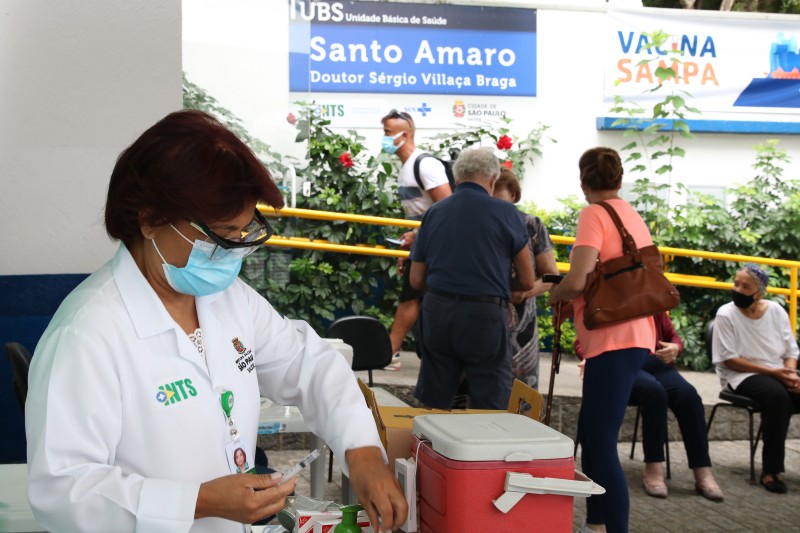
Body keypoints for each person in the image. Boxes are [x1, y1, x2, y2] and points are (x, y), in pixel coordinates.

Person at [25, 110, 407, 533]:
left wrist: (362, 449)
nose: (233, 254)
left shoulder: (226, 300)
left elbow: (308, 364)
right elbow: (64, 490)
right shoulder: (88, 333)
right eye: (221, 235)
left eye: (244, 234)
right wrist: (197, 501)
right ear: (150, 218)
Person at [548, 147, 656, 533]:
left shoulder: (594, 213)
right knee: (591, 432)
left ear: (583, 183)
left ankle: (615, 528)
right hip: (635, 334)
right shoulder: (630, 213)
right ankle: (595, 522)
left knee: (600, 439)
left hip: (614, 337)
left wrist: (557, 294)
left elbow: (577, 279)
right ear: (620, 179)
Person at [409, 147, 534, 410]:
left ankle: (428, 450)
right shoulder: (507, 213)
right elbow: (527, 280)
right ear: (492, 179)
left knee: (434, 402)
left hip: (438, 312)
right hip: (484, 315)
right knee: (488, 403)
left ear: (456, 178)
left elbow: (416, 279)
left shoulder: (434, 212)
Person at [575, 312, 724, 502]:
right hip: (622, 362)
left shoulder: (651, 300)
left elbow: (672, 335)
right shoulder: (609, 298)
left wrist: (676, 347)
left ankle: (702, 469)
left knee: (689, 396)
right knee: (654, 393)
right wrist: (590, 357)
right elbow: (582, 340)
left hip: (656, 362)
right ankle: (654, 465)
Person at [712, 263, 800, 494]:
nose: (738, 289)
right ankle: (771, 471)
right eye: (736, 283)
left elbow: (791, 351)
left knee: (787, 394)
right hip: (742, 375)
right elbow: (728, 359)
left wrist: (790, 374)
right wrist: (776, 374)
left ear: (759, 291)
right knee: (778, 398)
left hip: (778, 372)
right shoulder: (726, 314)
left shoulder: (776, 310)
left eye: (745, 286)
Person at [381, 109, 452, 369]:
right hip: (420, 243)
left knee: (411, 297)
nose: (385, 138)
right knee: (415, 296)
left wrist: (418, 236)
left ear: (405, 134)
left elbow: (447, 207)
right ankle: (397, 352)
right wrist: (406, 249)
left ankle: (391, 352)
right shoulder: (406, 168)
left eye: (388, 133)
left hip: (432, 243)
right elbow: (417, 214)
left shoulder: (425, 164)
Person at [493, 167, 558, 391]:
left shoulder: (531, 225)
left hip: (522, 329)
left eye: (500, 200)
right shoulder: (480, 224)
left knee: (520, 398)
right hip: (484, 321)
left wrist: (526, 292)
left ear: (514, 195)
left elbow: (552, 276)